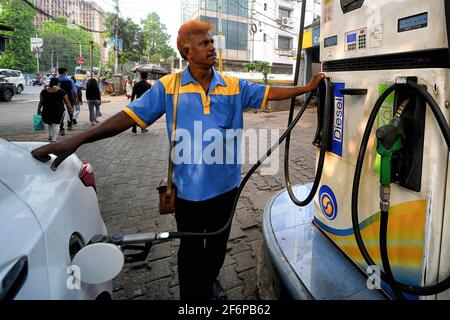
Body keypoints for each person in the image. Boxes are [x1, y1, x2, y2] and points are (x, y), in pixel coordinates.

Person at [31, 19, 325, 300]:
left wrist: (307, 87)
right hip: (187, 191)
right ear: (188, 51)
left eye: (212, 42)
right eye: (205, 43)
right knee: (191, 250)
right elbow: (125, 117)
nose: (212, 47)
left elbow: (271, 92)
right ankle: (192, 296)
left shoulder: (234, 85)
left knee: (219, 246)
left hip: (227, 187)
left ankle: (209, 281)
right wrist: (76, 140)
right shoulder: (168, 87)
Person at [36, 77, 73, 143]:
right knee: (56, 124)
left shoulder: (44, 91)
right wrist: (70, 108)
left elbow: (41, 101)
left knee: (49, 123)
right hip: (58, 110)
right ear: (58, 83)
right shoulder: (62, 91)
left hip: (47, 110)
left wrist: (38, 110)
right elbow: (67, 102)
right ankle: (54, 140)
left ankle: (50, 136)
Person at [56, 67, 78, 136]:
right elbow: (74, 91)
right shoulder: (70, 80)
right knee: (70, 111)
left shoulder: (55, 80)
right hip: (69, 97)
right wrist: (76, 99)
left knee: (60, 112)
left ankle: (61, 128)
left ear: (59, 72)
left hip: (58, 98)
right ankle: (69, 125)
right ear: (65, 72)